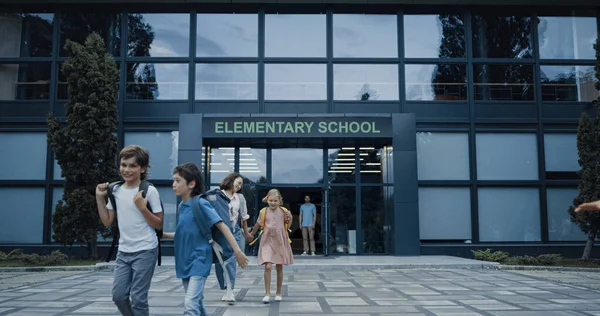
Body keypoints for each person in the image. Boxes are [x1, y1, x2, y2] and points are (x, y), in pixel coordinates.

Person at [162, 163, 248, 315]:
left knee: (190, 304)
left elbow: (223, 226)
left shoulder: (201, 203)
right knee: (197, 301)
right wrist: (163, 235)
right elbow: (184, 233)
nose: (173, 184)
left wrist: (238, 251)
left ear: (191, 184)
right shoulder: (182, 206)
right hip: (184, 260)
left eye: (177, 180)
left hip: (199, 259)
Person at [95, 145, 164, 316]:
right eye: (123, 165)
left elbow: (159, 224)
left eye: (132, 166)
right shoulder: (115, 190)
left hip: (146, 250)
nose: (126, 169)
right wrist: (99, 198)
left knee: (138, 299)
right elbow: (107, 221)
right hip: (124, 252)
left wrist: (142, 208)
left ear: (142, 168)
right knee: (119, 296)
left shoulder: (150, 191)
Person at [248, 189, 294, 303]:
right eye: (271, 200)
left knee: (279, 266)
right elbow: (258, 224)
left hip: (280, 240)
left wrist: (291, 217)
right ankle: (267, 293)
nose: (273, 203)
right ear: (267, 200)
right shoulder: (263, 211)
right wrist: (251, 234)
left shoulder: (284, 211)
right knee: (267, 265)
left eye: (275, 201)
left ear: (280, 201)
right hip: (267, 239)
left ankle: (278, 292)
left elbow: (288, 225)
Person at [216, 173, 253, 304]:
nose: (239, 186)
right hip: (220, 232)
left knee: (231, 260)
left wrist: (246, 232)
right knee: (220, 262)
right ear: (230, 181)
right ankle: (225, 286)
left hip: (235, 230)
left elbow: (243, 217)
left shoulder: (240, 198)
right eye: (237, 182)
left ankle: (230, 291)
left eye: (241, 184)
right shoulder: (218, 195)